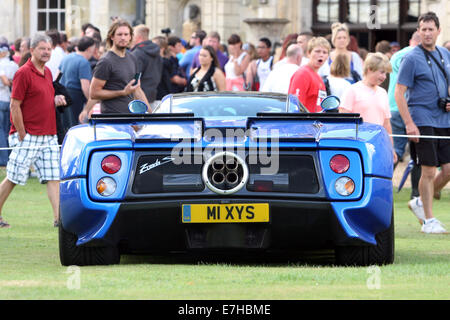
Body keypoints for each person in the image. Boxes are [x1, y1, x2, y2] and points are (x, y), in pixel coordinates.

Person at [0, 34, 67, 228]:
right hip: (27, 135)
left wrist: (56, 100)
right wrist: (22, 135)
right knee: (13, 177)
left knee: (54, 177)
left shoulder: (47, 72)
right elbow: (15, 105)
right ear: (32, 50)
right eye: (42, 49)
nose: (46, 52)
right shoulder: (23, 72)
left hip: (49, 135)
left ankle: (59, 220)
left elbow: (41, 99)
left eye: (49, 49)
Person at [395, 12, 450, 234]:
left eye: (430, 29)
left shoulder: (445, 53)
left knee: (447, 170)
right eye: (423, 29)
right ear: (419, 31)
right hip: (421, 119)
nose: (426, 33)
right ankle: (429, 220)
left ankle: (419, 201)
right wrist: (409, 124)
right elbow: (400, 93)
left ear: (438, 31)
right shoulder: (411, 57)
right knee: (428, 171)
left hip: (444, 119)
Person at [340, 52, 396, 162]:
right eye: (382, 73)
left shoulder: (383, 93)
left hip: (378, 146)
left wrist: (390, 148)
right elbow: (344, 122)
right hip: (357, 147)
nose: (384, 77)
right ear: (370, 69)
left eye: (386, 74)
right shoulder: (352, 90)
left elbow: (386, 123)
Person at [387, 31, 422, 198]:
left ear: (410, 41)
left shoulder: (396, 56)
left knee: (396, 151)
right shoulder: (417, 56)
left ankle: (383, 187)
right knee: (417, 152)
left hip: (393, 106)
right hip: (410, 107)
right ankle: (415, 192)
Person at [89, 19, 150, 114]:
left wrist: (151, 114)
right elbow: (94, 93)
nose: (123, 38)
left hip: (131, 117)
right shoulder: (106, 61)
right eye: (119, 34)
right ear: (112, 36)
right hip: (113, 119)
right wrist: (122, 92)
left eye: (126, 34)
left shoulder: (133, 58)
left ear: (130, 37)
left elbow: (137, 89)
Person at [59, 36, 96, 129]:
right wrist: (90, 102)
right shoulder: (84, 62)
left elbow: (57, 78)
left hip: (62, 96)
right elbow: (85, 86)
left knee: (64, 126)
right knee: (74, 126)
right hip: (75, 98)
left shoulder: (66, 58)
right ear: (89, 49)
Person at [288, 37, 330, 112]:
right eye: (317, 51)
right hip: (305, 122)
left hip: (316, 122)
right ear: (308, 53)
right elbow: (295, 107)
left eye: (324, 52)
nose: (321, 55)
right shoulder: (302, 74)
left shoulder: (319, 77)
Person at [130, 24, 162, 110]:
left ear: (139, 38)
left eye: (132, 36)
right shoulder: (157, 52)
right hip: (153, 95)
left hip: (139, 98)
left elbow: (135, 78)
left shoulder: (137, 54)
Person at [0, 42, 19, 166]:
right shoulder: (13, 65)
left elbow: (5, 81)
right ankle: (11, 158)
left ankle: (4, 159)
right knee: (8, 130)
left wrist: (8, 82)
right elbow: (14, 81)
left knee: (1, 130)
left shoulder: (1, 64)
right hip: (10, 99)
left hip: (1, 98)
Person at [153, 36, 173, 102]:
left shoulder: (164, 62)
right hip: (160, 95)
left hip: (162, 95)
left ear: (162, 48)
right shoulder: (165, 61)